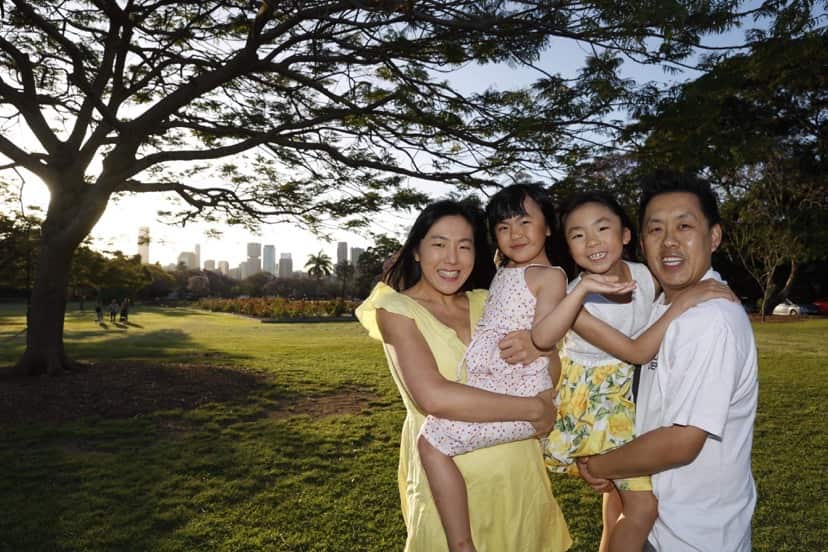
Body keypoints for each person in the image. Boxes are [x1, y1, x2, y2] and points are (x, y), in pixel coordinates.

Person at [415, 185, 634, 552]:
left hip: (518, 393)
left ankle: (461, 544)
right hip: (498, 385)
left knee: (432, 443)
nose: (514, 233)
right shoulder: (505, 269)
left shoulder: (551, 277)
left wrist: (579, 292)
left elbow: (547, 336)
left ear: (547, 226)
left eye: (524, 221)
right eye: (503, 227)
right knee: (436, 444)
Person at [355, 199, 572, 552]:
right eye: (439, 244)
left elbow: (552, 368)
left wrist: (540, 349)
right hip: (448, 489)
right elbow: (434, 397)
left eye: (464, 246)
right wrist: (534, 409)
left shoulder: (489, 299)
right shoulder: (395, 309)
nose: (452, 258)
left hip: (518, 476)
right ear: (416, 251)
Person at [535, 191, 735, 552]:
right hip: (595, 404)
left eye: (602, 228)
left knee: (616, 496)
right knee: (643, 508)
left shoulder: (643, 275)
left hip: (624, 395)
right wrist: (689, 298)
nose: (592, 241)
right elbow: (637, 351)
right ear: (568, 246)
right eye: (578, 235)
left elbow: (656, 311)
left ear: (626, 236)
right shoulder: (575, 299)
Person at [577, 172, 759, 552]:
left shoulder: (710, 320)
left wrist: (601, 467)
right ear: (641, 242)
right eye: (656, 229)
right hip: (656, 524)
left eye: (685, 225)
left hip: (692, 536)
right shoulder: (660, 306)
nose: (670, 241)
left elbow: (681, 442)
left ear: (714, 237)